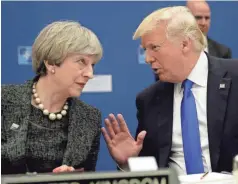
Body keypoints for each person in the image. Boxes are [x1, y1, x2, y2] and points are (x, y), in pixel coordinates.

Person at [102, 6, 238, 175]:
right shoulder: (149, 99)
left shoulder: (234, 77)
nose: (147, 58)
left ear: (185, 44)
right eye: (145, 50)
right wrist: (129, 163)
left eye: (154, 47)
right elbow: (151, 173)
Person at [1, 20, 103, 174]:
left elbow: (88, 177)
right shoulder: (4, 101)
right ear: (51, 63)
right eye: (81, 61)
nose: (90, 74)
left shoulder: (90, 118)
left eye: (92, 65)